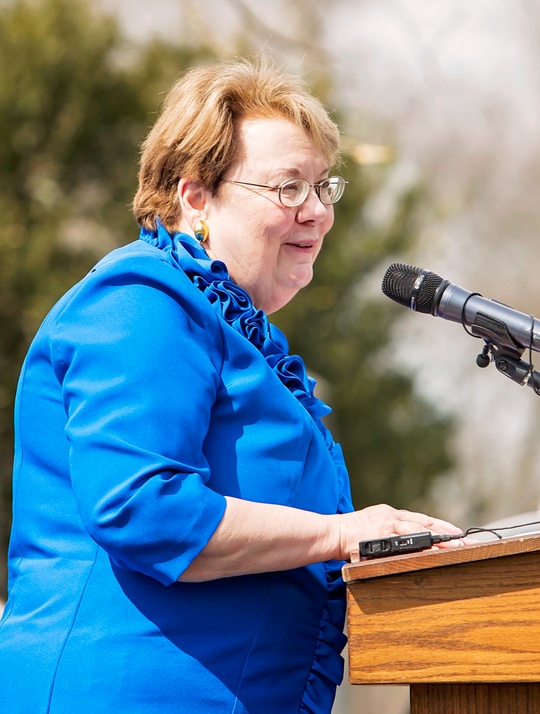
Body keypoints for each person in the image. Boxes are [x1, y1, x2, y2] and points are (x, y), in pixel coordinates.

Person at [0, 57, 462, 713]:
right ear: (196, 197)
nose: (318, 213)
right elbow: (144, 508)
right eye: (288, 188)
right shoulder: (143, 301)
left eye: (324, 187)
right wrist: (342, 534)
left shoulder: (236, 335)